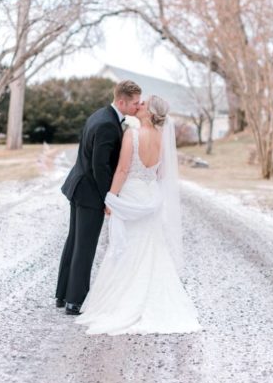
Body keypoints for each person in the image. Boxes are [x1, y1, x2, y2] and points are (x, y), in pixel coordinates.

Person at [75, 95, 202, 335]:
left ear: (150, 112)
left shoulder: (132, 135)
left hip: (132, 193)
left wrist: (110, 197)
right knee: (151, 247)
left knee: (125, 248)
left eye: (143, 104)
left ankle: (121, 303)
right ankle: (156, 300)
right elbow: (161, 173)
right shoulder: (162, 139)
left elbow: (123, 170)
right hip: (149, 195)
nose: (139, 104)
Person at [56, 80, 142, 315]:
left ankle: (63, 295)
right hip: (89, 192)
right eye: (135, 103)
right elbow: (100, 167)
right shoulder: (107, 124)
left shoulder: (101, 115)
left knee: (74, 241)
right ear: (122, 101)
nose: (138, 106)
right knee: (84, 246)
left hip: (79, 186)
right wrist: (109, 199)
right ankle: (75, 301)